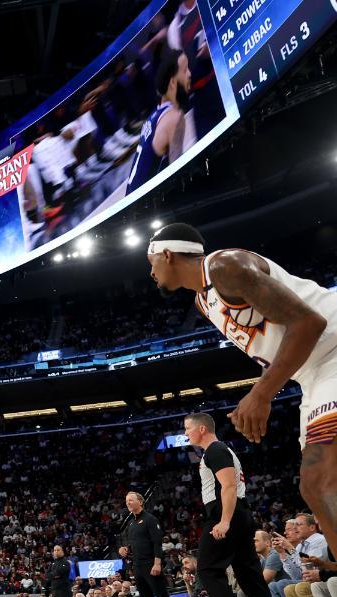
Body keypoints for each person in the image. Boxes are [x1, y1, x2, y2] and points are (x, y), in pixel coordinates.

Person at [148, 223, 336, 551]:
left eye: (151, 262)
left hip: (332, 351)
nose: (151, 272)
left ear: (167, 254)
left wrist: (261, 393)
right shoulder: (202, 304)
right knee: (314, 487)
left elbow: (308, 323)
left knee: (321, 482)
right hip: (311, 376)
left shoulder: (225, 266)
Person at [185, 412, 283, 597]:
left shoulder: (215, 450)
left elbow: (228, 486)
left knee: (207, 569)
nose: (185, 433)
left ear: (201, 429)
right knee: (251, 577)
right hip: (239, 514)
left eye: (187, 428)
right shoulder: (220, 451)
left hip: (226, 514)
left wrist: (224, 520)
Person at [118, 491, 185, 597]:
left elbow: (156, 543)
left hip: (151, 564)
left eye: (131, 500)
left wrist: (157, 563)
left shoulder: (150, 519)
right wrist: (125, 549)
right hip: (138, 567)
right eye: (126, 501)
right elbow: (135, 544)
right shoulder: (131, 523)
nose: (127, 503)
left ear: (140, 502)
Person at [125, 50, 189, 195]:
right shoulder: (174, 117)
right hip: (145, 206)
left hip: (131, 198)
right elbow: (178, 176)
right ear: (172, 82)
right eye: (185, 70)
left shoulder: (153, 116)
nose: (190, 74)